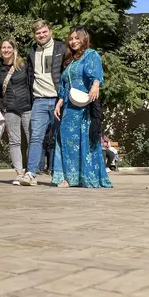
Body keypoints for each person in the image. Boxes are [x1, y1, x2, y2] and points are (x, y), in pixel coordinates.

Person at [52, 26, 112, 188]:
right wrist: (59, 102)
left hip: (84, 107)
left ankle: (87, 176)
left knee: (84, 140)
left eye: (77, 38)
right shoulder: (70, 60)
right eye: (71, 39)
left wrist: (96, 85)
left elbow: (96, 74)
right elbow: (65, 83)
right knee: (66, 139)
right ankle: (69, 177)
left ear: (84, 39)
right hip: (68, 108)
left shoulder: (90, 55)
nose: (73, 41)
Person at [19, 19, 67, 186]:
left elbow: (66, 72)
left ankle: (62, 175)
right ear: (34, 35)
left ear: (50, 31)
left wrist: (64, 97)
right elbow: (30, 75)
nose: (41, 35)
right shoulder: (32, 51)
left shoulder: (61, 48)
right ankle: (31, 174)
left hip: (58, 100)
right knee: (35, 138)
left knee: (60, 138)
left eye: (44, 31)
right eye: (38, 33)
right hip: (39, 100)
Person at [0, 39, 31, 185]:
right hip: (10, 109)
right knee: (14, 142)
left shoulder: (23, 65)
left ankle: (30, 171)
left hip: (27, 107)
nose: (6, 50)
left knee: (32, 139)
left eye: (9, 47)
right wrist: (2, 106)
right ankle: (19, 172)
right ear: (0, 50)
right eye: (3, 47)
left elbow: (31, 83)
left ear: (14, 49)